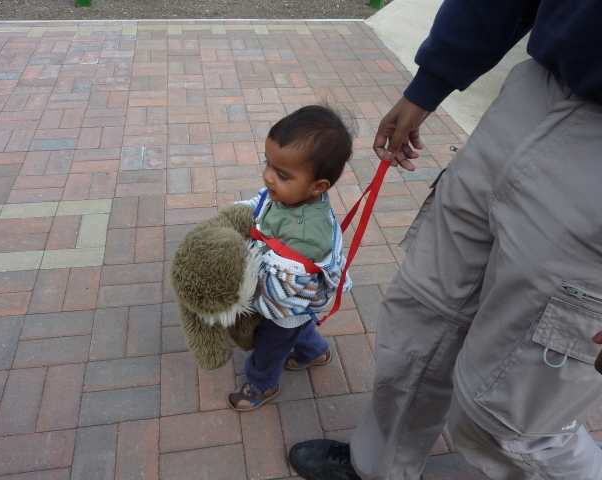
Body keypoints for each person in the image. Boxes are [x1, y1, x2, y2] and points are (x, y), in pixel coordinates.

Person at [288, 0, 602, 479]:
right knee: (422, 322)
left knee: (509, 416)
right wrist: (431, 81)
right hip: (533, 91)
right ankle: (376, 469)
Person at [228, 105, 353, 412]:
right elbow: (262, 204)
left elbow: (282, 289)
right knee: (300, 328)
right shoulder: (290, 195)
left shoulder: (308, 236)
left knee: (269, 346)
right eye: (267, 163)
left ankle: (262, 384)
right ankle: (315, 353)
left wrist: (244, 288)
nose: (268, 177)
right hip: (297, 308)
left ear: (318, 186)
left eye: (281, 174)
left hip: (284, 304)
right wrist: (238, 212)